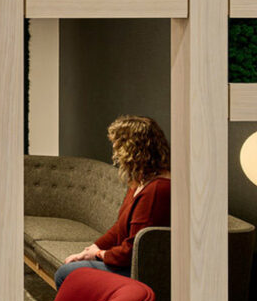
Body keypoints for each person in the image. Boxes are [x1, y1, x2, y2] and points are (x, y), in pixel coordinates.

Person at [53, 115, 171, 290]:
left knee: (67, 274)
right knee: (71, 266)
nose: (115, 153)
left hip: (139, 271)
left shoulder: (157, 190)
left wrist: (99, 254)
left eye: (117, 146)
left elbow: (134, 251)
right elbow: (119, 228)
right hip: (127, 262)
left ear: (132, 150)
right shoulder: (140, 181)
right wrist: (89, 250)